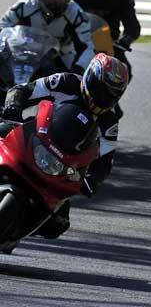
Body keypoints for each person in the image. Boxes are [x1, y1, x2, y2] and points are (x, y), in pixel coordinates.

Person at [0, 52, 129, 238]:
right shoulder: (64, 82)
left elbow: (106, 159)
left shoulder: (109, 122)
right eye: (100, 91)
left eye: (110, 96)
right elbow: (23, 89)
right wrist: (13, 107)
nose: (103, 98)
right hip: (28, 137)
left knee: (58, 224)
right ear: (90, 78)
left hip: (61, 165)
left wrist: (93, 180)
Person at [0, 0, 94, 74]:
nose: (57, 2)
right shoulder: (24, 6)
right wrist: (8, 48)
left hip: (61, 54)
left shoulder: (76, 13)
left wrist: (78, 69)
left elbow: (87, 46)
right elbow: (3, 27)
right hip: (24, 51)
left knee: (70, 82)